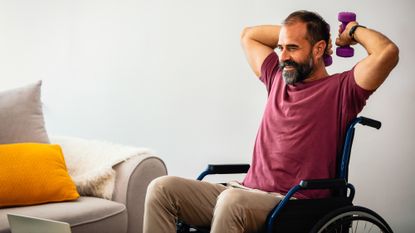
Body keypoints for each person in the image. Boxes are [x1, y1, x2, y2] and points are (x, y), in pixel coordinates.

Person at [143, 10, 399, 233]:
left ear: (319, 49)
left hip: (293, 203)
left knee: (232, 202)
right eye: (281, 47)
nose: (283, 56)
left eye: (293, 48)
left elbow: (387, 52)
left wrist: (353, 30)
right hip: (243, 192)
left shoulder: (343, 90)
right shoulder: (276, 77)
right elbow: (248, 35)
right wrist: (291, 36)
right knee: (161, 188)